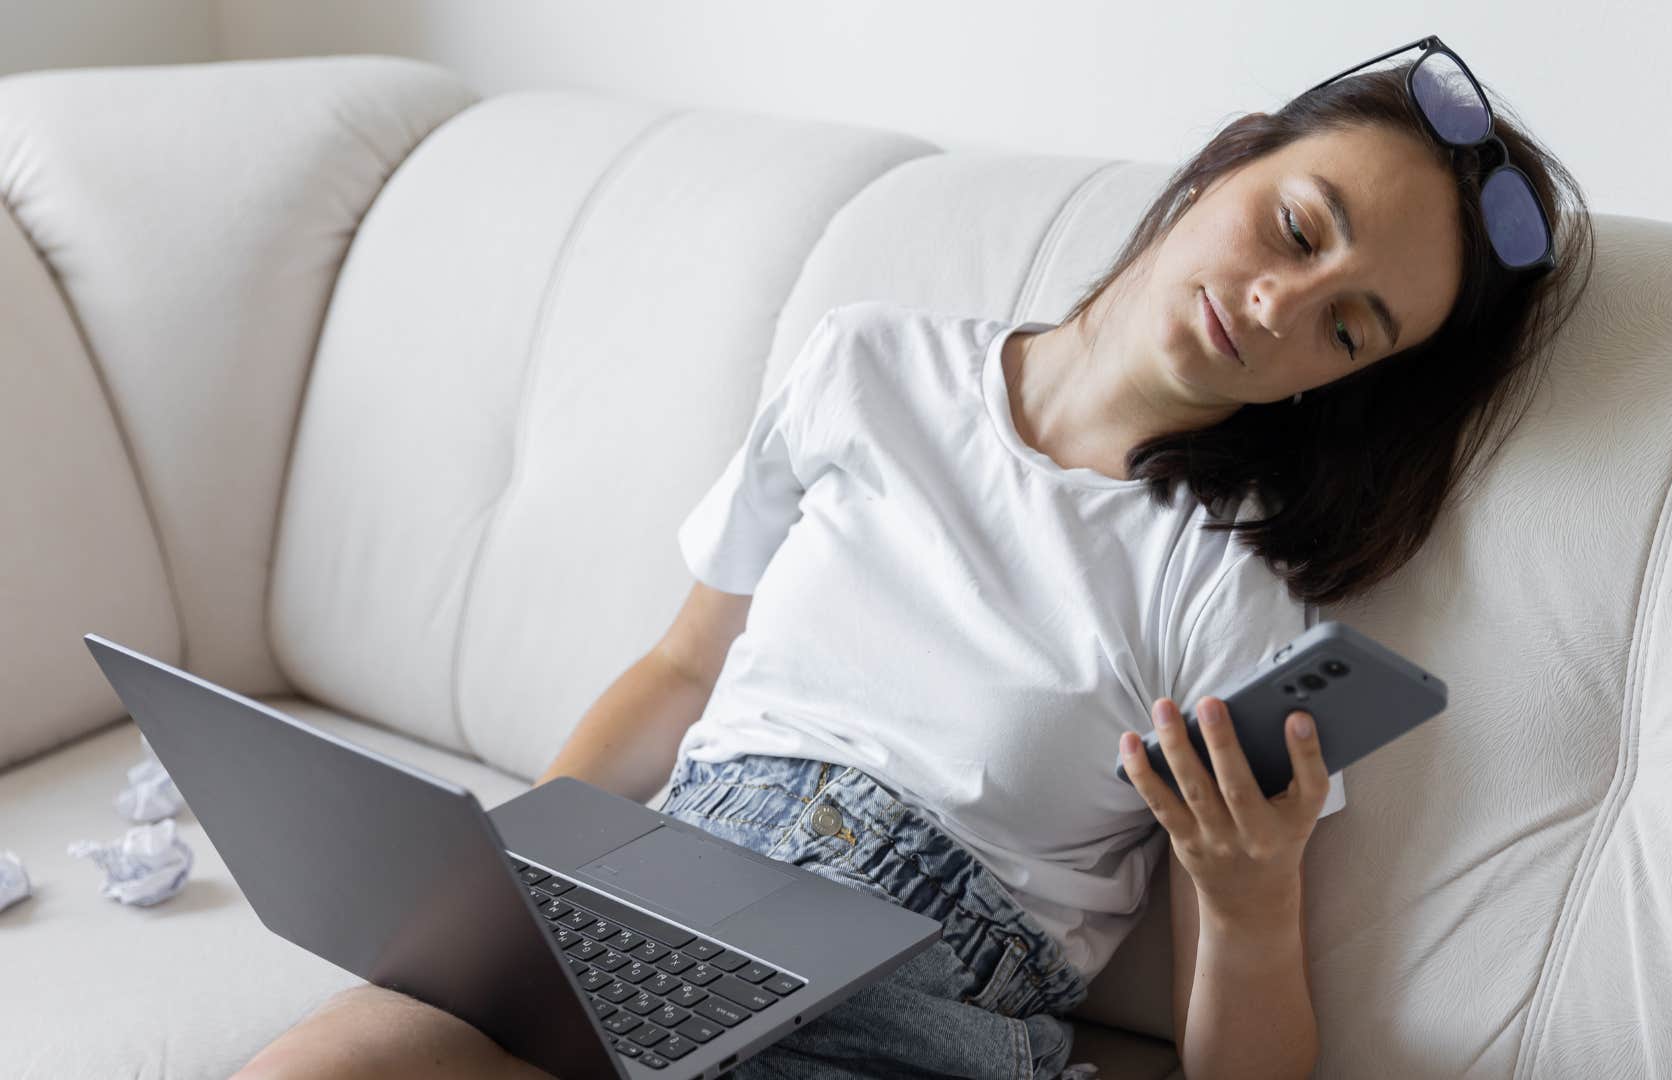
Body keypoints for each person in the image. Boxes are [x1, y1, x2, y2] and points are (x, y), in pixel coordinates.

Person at [235, 39, 1592, 1080]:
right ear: (1228, 163)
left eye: (1348, 330)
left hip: (898, 1013)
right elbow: (680, 667)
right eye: (1297, 229)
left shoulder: (1220, 594)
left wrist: (1248, 901)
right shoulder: (869, 366)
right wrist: (512, 881)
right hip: (650, 904)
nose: (1279, 305)